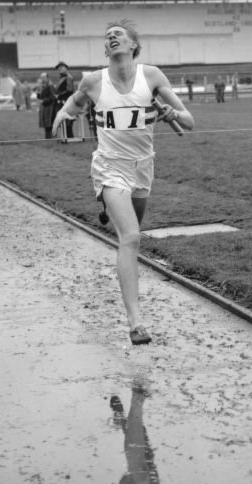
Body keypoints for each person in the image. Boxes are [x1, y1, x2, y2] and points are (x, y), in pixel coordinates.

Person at [52, 20, 193, 345]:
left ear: (133, 45)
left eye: (119, 34)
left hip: (143, 168)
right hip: (108, 166)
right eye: (108, 36)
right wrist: (63, 121)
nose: (112, 37)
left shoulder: (152, 76)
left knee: (130, 229)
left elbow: (190, 121)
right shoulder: (92, 81)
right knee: (130, 236)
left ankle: (109, 205)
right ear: (106, 50)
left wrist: (172, 114)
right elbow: (68, 111)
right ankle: (136, 323)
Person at [55, 62, 76, 137]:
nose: (60, 69)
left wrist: (58, 95)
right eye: (58, 68)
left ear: (66, 68)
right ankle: (65, 137)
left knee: (68, 121)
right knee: (63, 120)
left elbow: (69, 90)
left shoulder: (68, 77)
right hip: (62, 101)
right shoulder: (62, 77)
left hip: (66, 101)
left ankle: (69, 137)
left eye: (62, 67)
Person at [36, 73, 57, 139]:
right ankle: (48, 139)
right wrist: (38, 93)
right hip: (44, 108)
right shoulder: (42, 86)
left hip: (50, 108)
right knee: (46, 125)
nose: (42, 79)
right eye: (41, 77)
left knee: (49, 124)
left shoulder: (50, 86)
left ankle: (51, 138)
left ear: (47, 78)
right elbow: (40, 97)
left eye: (44, 77)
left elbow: (52, 97)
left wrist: (43, 101)